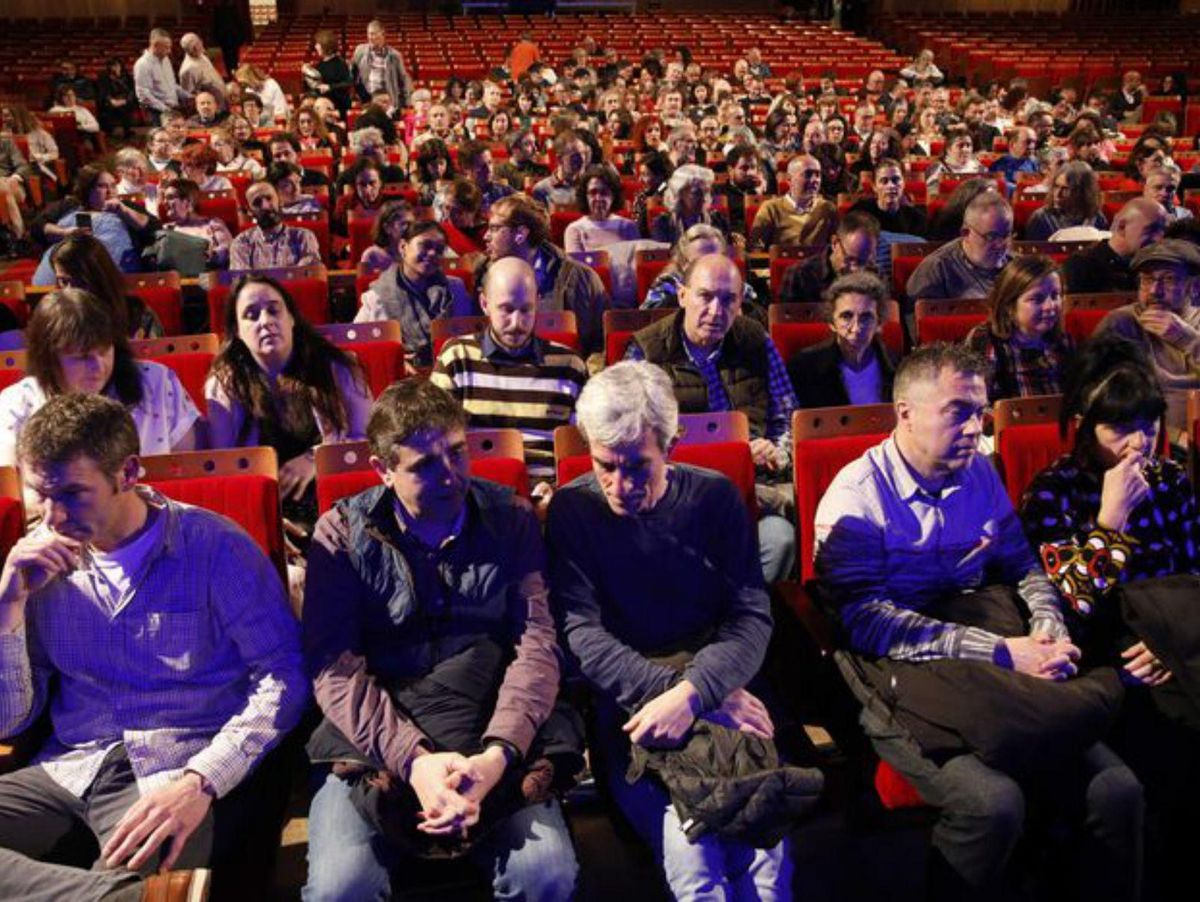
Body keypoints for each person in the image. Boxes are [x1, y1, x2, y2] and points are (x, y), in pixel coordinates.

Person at [813, 342, 1143, 901]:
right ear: (906, 414)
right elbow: (868, 623)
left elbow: (1021, 565)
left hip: (990, 649)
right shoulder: (856, 499)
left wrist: (1046, 624)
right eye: (958, 411)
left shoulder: (980, 473)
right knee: (993, 804)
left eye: (981, 411)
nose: (976, 426)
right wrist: (1002, 651)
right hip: (899, 669)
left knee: (1118, 790)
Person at [0, 391, 306, 900]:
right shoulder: (38, 565)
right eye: (40, 494)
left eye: (73, 494)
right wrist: (7, 608)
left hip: (173, 767)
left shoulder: (216, 548)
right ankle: (124, 898)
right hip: (69, 766)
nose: (52, 517)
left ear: (128, 473)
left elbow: (284, 678)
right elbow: (8, 722)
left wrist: (200, 782)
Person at [302, 378, 580, 901]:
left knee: (544, 875)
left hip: (490, 722)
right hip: (376, 736)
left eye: (457, 452)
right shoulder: (340, 533)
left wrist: (498, 753)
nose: (451, 475)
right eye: (424, 464)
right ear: (383, 471)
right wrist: (415, 760)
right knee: (342, 888)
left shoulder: (510, 518)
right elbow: (333, 668)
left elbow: (536, 645)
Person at [546, 360, 792, 899]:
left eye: (637, 466)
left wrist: (698, 692)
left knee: (763, 857)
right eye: (604, 465)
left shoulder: (716, 497)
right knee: (694, 858)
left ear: (673, 445)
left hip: (722, 682)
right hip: (633, 697)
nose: (619, 484)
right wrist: (682, 697)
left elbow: (750, 615)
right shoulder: (574, 508)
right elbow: (581, 633)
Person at [1018, 336, 1200, 902]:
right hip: (1101, 655)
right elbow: (1068, 604)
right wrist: (1110, 520)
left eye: (1147, 425)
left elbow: (1194, 574)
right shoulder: (1054, 492)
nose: (1138, 443)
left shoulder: (1169, 480)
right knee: (1167, 741)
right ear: (1082, 424)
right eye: (1119, 429)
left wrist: (1174, 641)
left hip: (1177, 640)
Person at [626, 254, 797, 582]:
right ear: (682, 295)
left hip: (748, 490)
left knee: (780, 538)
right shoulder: (647, 352)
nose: (717, 311)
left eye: (728, 300)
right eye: (705, 296)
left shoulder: (756, 341)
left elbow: (785, 415)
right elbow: (631, 437)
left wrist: (777, 450)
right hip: (674, 495)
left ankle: (740, 617)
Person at [207, 274, 372, 532]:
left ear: (291, 318)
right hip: (267, 518)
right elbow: (226, 473)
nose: (266, 321)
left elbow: (368, 442)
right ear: (237, 332)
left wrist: (315, 458)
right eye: (251, 315)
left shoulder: (337, 368)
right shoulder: (225, 386)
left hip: (342, 506)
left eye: (274, 310)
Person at [431, 257, 588, 490]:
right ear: (484, 303)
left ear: (538, 302)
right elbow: (436, 442)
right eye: (506, 309)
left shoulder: (570, 365)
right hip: (479, 492)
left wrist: (556, 491)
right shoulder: (456, 358)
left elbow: (582, 449)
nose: (517, 322)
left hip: (549, 492)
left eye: (526, 310)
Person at [0, 288, 198, 471]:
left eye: (104, 351)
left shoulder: (155, 382)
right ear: (48, 359)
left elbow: (188, 468)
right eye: (82, 357)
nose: (99, 366)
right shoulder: (16, 403)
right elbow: (9, 486)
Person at [1092, 238, 1200, 447]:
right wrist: (1173, 437)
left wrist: (1188, 340)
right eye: (1147, 280)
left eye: (1168, 280)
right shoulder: (1122, 324)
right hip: (1156, 443)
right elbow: (1102, 400)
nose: (1154, 291)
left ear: (1194, 287)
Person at [477, 194, 610, 357]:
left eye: (494, 229)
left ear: (521, 234)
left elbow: (600, 344)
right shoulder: (482, 273)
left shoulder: (580, 278)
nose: (486, 236)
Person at [357, 220, 473, 366]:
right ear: (403, 247)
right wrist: (396, 359)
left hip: (449, 369)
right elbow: (360, 346)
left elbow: (469, 339)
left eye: (439, 250)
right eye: (425, 246)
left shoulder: (455, 289)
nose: (432, 253)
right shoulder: (378, 296)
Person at [963, 254, 1075, 402]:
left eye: (1055, 296)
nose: (1050, 307)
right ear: (1009, 305)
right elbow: (975, 402)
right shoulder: (987, 340)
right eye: (1037, 299)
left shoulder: (1062, 340)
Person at [32, 166, 159, 286]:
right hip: (62, 270)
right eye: (102, 186)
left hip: (110, 275)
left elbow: (153, 227)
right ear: (87, 189)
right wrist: (64, 233)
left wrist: (124, 211)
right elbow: (37, 226)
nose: (110, 191)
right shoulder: (69, 205)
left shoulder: (125, 206)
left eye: (113, 185)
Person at [788, 270, 897, 407]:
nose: (856, 328)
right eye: (846, 316)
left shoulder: (897, 367)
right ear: (832, 322)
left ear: (879, 323)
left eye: (866, 318)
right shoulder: (803, 368)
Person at [48, 234, 164, 339]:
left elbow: (157, 359)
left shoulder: (138, 316)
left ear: (100, 279)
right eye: (63, 281)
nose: (70, 291)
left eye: (80, 282)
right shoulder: (55, 319)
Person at [906, 191, 1012, 301]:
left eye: (1006, 235)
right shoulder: (936, 270)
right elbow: (919, 316)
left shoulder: (1016, 266)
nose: (1001, 245)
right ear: (965, 233)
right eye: (991, 236)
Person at [641, 224, 761, 313]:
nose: (707, 267)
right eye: (698, 262)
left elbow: (759, 314)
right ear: (683, 263)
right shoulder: (669, 283)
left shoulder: (733, 284)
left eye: (713, 259)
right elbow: (646, 317)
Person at [1061, 197, 1167, 294]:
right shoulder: (1081, 266)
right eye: (1151, 230)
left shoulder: (1158, 266)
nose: (1159, 238)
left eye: (1163, 230)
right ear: (1122, 227)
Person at [779, 210, 879, 303]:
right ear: (835, 243)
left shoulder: (875, 275)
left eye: (864, 262)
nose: (855, 269)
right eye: (850, 259)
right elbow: (787, 320)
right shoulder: (800, 275)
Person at [749, 154, 837, 251]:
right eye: (808, 174)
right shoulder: (771, 208)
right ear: (789, 179)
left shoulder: (827, 208)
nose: (814, 180)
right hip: (783, 265)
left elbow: (837, 247)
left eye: (818, 175)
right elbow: (756, 248)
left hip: (817, 264)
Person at [229, 182, 322, 271]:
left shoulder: (303, 237)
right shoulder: (241, 243)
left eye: (269, 198)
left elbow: (307, 277)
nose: (265, 206)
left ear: (280, 200)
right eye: (257, 202)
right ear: (249, 211)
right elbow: (242, 282)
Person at [158, 177, 235, 270]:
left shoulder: (212, 224)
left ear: (188, 201)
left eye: (170, 197)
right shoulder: (166, 229)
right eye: (164, 198)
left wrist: (213, 255)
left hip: (207, 278)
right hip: (175, 280)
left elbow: (228, 249)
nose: (164, 202)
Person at [563, 164, 639, 253]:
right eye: (593, 192)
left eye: (604, 192)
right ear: (585, 196)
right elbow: (576, 265)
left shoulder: (628, 227)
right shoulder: (575, 230)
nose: (598, 198)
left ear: (613, 196)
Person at [1025, 161, 1107, 241]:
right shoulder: (1041, 219)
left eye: (1066, 189)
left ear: (1081, 192)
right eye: (1056, 186)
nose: (1057, 194)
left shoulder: (1097, 218)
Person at [849, 157, 927, 237]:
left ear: (904, 183)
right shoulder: (858, 213)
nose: (891, 186)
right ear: (874, 186)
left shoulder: (916, 219)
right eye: (884, 181)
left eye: (896, 180)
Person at [351, 19, 412, 111]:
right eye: (369, 34)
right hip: (367, 100)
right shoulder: (360, 51)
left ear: (383, 34)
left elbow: (403, 79)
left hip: (387, 101)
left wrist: (406, 103)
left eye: (373, 34)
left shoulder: (395, 55)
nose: (370, 37)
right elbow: (353, 74)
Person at [133, 28, 188, 121]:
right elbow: (144, 95)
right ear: (155, 45)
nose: (169, 51)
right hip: (157, 113)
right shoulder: (142, 64)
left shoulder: (166, 59)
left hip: (171, 109)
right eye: (166, 47)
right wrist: (165, 109)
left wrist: (189, 96)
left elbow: (172, 85)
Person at [531, 131, 590, 209]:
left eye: (584, 154)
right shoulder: (542, 189)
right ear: (559, 159)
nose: (582, 160)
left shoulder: (590, 186)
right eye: (575, 156)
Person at [304, 28, 353, 116]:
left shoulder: (340, 64)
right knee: (306, 104)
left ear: (325, 45)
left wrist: (330, 87)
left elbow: (347, 83)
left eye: (318, 44)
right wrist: (307, 73)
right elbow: (315, 87)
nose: (315, 47)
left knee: (320, 107)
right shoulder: (320, 65)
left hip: (339, 103)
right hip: (323, 101)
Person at [358, 198, 415, 270]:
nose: (411, 228)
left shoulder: (415, 253)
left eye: (412, 224)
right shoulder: (372, 255)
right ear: (387, 228)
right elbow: (362, 281)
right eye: (404, 224)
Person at [178, 32, 226, 108]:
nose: (197, 48)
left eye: (198, 43)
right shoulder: (187, 69)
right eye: (193, 47)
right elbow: (189, 97)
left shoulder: (202, 55)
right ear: (186, 50)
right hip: (210, 107)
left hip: (221, 100)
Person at [95, 57, 138, 138]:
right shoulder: (103, 76)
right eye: (112, 66)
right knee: (107, 107)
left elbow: (132, 90)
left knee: (128, 106)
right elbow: (103, 91)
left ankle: (127, 130)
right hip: (110, 99)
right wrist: (111, 100)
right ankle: (108, 131)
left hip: (124, 99)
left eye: (117, 66)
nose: (115, 68)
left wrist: (125, 100)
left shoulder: (126, 76)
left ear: (121, 66)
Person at [988, 125, 1039, 192]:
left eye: (1034, 142)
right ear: (1012, 144)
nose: (1032, 146)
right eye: (1028, 142)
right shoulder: (998, 165)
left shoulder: (1034, 163)